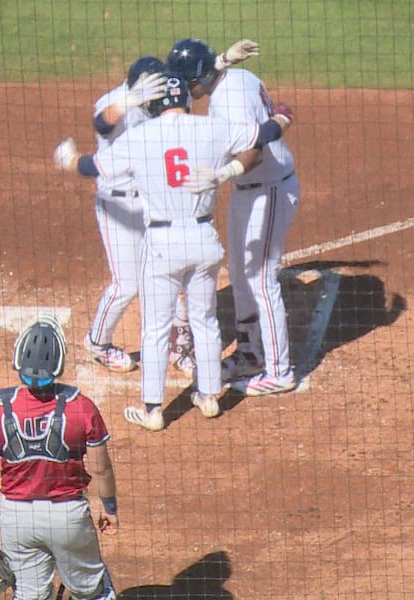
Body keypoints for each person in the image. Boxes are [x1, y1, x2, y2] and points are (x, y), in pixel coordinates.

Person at [53, 73, 293, 431]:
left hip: (163, 245)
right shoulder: (212, 128)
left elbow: (93, 167)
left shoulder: (140, 136)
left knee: (155, 327)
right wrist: (281, 116)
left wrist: (69, 159)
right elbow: (264, 136)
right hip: (204, 240)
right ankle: (209, 396)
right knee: (206, 320)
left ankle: (153, 410)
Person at [83, 44, 259, 379]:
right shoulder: (115, 101)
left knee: (171, 271)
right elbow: (102, 124)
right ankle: (98, 344)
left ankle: (179, 344)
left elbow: (188, 78)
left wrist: (220, 61)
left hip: (151, 201)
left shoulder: (159, 90)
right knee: (127, 284)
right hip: (118, 204)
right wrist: (128, 101)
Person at [166, 38, 302, 397]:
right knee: (241, 274)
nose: (183, 89)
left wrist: (220, 174)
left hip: (268, 189)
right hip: (250, 191)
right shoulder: (233, 79)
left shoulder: (229, 98)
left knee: (261, 280)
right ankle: (250, 351)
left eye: (185, 81)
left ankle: (279, 371)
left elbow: (254, 152)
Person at [0, 314, 119, 600]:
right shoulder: (82, 408)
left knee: (30, 595)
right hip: (68, 517)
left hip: (17, 519)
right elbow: (101, 469)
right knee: (91, 591)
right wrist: (109, 508)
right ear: (59, 364)